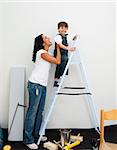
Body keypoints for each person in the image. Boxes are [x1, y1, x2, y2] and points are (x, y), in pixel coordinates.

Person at [23, 34, 61, 149]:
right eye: (46, 38)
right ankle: (28, 139)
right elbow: (58, 61)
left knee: (40, 111)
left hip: (42, 86)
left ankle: (36, 134)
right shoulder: (41, 53)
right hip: (35, 85)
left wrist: (58, 46)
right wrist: (58, 46)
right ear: (42, 42)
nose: (48, 38)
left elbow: (57, 60)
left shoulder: (46, 54)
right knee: (32, 112)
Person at [54, 21, 79, 87]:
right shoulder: (58, 37)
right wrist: (69, 49)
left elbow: (68, 43)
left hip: (64, 54)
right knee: (62, 61)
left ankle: (60, 77)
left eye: (65, 28)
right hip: (59, 54)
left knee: (65, 61)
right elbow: (60, 45)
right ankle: (57, 79)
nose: (63, 29)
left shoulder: (65, 37)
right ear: (58, 29)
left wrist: (74, 38)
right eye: (61, 27)